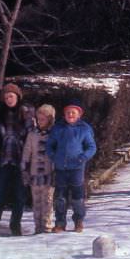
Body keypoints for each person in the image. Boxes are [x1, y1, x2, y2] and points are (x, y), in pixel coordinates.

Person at [0, 82, 34, 236]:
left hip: (22, 161)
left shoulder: (27, 112)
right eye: (6, 97)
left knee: (20, 196)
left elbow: (33, 133)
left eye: (11, 96)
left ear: (18, 96)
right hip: (4, 160)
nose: (9, 99)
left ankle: (15, 226)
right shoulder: (0, 114)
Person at [46, 100, 97, 233]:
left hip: (77, 168)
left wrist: (83, 157)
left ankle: (78, 221)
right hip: (61, 168)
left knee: (77, 197)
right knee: (60, 198)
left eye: (73, 112)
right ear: (64, 114)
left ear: (79, 114)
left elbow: (91, 147)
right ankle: (60, 223)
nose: (70, 115)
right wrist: (54, 156)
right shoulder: (58, 128)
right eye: (68, 112)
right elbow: (49, 145)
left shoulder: (84, 129)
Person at [21, 104, 56, 234]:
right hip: (34, 173)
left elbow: (56, 153)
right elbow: (27, 151)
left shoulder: (54, 135)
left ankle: (46, 226)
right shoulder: (32, 135)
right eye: (38, 119)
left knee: (47, 200)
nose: (40, 122)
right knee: (36, 201)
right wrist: (24, 166)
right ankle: (37, 226)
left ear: (50, 120)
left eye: (43, 119)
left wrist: (55, 170)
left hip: (48, 173)